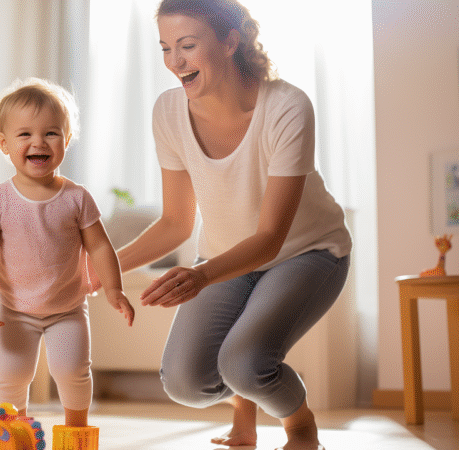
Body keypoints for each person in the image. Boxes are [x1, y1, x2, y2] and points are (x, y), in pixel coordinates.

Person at [111, 1, 352, 449]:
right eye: (165, 48)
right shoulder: (168, 112)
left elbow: (270, 238)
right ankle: (251, 399)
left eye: (187, 45)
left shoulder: (286, 106)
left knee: (244, 364)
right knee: (184, 382)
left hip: (308, 252)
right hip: (224, 257)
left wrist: (200, 276)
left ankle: (299, 423)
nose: (174, 62)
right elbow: (175, 222)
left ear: (230, 41)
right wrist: (100, 268)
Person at [0, 78, 135, 436]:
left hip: (68, 307)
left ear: (68, 140)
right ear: (3, 143)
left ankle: (76, 432)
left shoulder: (77, 197)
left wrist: (113, 288)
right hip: (13, 309)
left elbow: (101, 246)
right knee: (12, 374)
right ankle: (15, 432)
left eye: (51, 133)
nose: (38, 142)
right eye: (24, 134)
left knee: (73, 370)